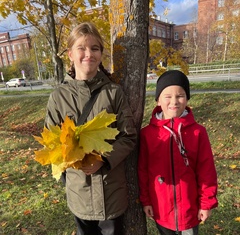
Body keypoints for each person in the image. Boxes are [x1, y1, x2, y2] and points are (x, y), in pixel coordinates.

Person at [44, 22, 137, 235]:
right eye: (82, 48)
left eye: (95, 48)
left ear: (101, 54)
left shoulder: (113, 93)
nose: (89, 54)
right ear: (70, 54)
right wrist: (75, 156)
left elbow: (129, 136)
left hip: (111, 193)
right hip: (79, 193)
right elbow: (52, 142)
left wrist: (103, 159)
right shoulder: (58, 97)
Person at [138, 70, 218, 235]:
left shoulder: (198, 132)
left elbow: (206, 170)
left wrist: (206, 203)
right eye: (167, 96)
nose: (174, 101)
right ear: (158, 100)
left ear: (187, 98)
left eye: (180, 95)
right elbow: (143, 170)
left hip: (189, 210)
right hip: (161, 209)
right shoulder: (147, 134)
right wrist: (146, 200)